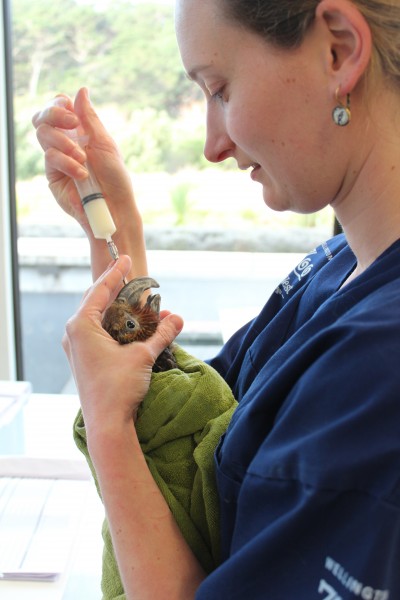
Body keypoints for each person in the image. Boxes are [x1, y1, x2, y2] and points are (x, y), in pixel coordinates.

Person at [32, 0, 400, 597]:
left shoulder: (378, 372)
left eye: (220, 89)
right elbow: (184, 436)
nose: (212, 143)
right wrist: (115, 223)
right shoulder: (339, 270)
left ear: (339, 49)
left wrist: (107, 424)